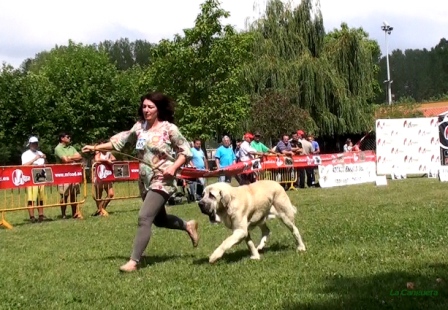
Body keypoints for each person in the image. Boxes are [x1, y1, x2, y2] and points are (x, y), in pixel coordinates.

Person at [81, 91, 199, 273]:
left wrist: (173, 168)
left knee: (144, 217)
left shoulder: (169, 129)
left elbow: (186, 151)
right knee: (159, 220)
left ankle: (133, 261)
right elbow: (118, 142)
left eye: (150, 107)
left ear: (158, 109)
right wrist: (95, 147)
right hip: (144, 180)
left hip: (163, 178)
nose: (146, 110)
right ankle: (187, 225)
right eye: (144, 106)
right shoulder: (139, 128)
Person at [54, 132, 83, 219]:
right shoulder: (58, 148)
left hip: (73, 174)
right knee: (64, 195)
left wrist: (69, 157)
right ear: (62, 138)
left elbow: (79, 157)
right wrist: (72, 158)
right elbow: (65, 160)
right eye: (68, 137)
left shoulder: (71, 147)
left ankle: (75, 213)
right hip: (63, 174)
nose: (70, 138)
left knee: (74, 194)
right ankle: (63, 214)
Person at [21, 136, 47, 223]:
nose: (35, 145)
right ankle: (32, 217)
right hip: (31, 178)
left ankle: (41, 215)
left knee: (41, 198)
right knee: (31, 198)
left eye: (36, 143)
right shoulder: (25, 154)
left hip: (41, 177)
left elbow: (45, 164)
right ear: (29, 144)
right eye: (33, 143)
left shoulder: (40, 152)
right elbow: (24, 166)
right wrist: (34, 159)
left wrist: (44, 158)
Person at [92, 139, 116, 216]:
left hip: (107, 176)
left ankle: (102, 208)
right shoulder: (98, 153)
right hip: (99, 177)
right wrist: (106, 160)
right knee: (99, 195)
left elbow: (114, 159)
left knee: (111, 194)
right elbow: (96, 159)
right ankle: (100, 211)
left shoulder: (109, 153)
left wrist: (110, 160)